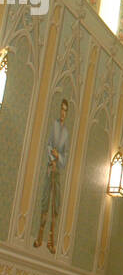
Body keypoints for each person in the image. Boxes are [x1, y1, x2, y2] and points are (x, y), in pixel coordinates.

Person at [34, 98, 70, 255]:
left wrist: (58, 158)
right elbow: (48, 144)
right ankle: (40, 236)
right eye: (62, 109)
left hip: (58, 173)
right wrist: (52, 158)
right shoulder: (54, 126)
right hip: (50, 169)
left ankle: (51, 240)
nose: (63, 113)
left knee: (55, 205)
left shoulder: (66, 133)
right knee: (45, 201)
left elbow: (65, 154)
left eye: (65, 110)